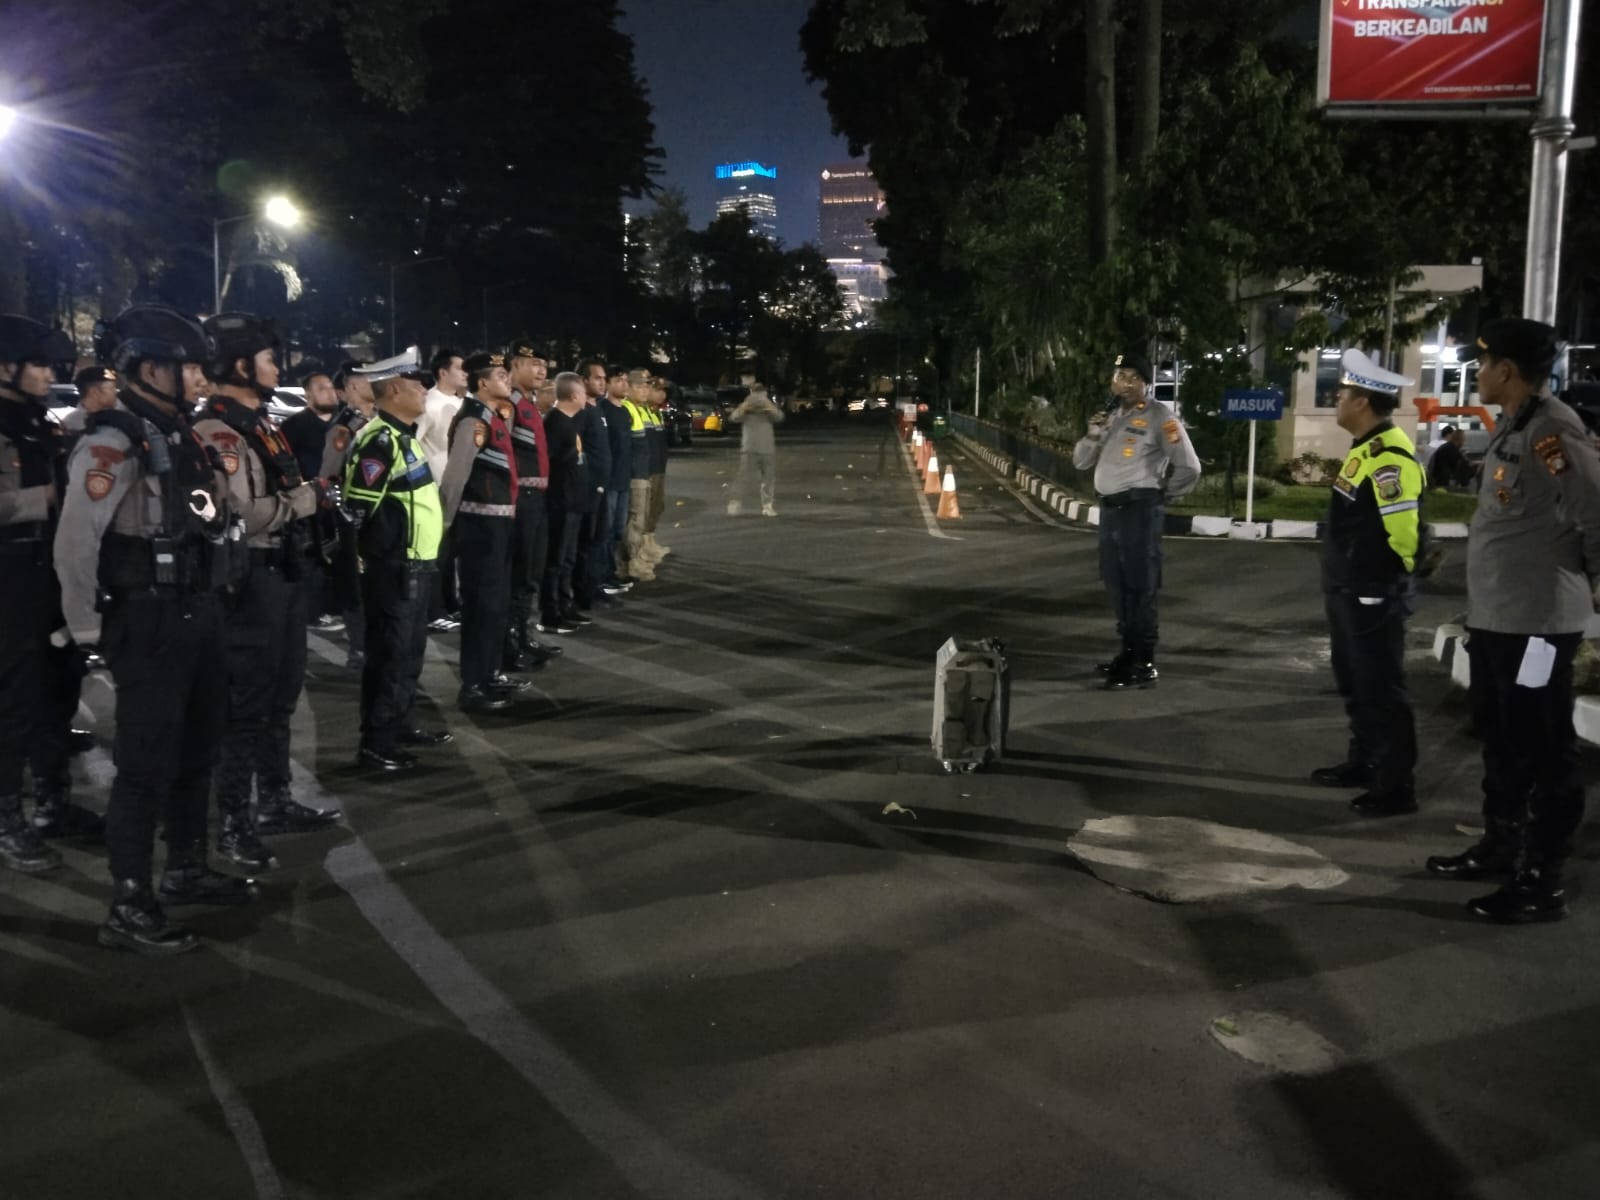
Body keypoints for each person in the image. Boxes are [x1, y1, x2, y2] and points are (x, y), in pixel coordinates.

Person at [54, 306, 253, 953]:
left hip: (197, 609)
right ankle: (129, 900)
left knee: (199, 748)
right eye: (186, 367)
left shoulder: (182, 434)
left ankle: (186, 867)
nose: (199, 378)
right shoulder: (113, 441)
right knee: (144, 764)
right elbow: (76, 541)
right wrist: (87, 629)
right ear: (147, 370)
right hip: (147, 617)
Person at [1425, 318, 1600, 922]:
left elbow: (1595, 508)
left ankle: (1541, 879)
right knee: (1503, 739)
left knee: (1543, 746)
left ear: (1506, 370)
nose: (1478, 373)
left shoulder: (1552, 430)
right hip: (1501, 619)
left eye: (1484, 363)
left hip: (1538, 627)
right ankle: (1502, 846)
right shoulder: (1515, 425)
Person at [194, 313, 341, 876]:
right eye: (270, 361)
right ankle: (234, 821)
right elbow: (239, 513)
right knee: (245, 708)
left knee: (281, 697)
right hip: (250, 578)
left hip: (283, 574)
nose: (278, 370)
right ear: (240, 365)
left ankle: (275, 801)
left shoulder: (260, 424)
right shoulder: (219, 431)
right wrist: (305, 500)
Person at [1311, 348, 1423, 817]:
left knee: (1381, 688)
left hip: (1371, 593)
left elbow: (1405, 537)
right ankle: (1366, 761)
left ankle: (1395, 786)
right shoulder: (1366, 450)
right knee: (1356, 682)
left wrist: (1381, 583)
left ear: (1362, 402)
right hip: (1349, 589)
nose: (1336, 400)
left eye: (1342, 394)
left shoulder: (1389, 457)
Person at [343, 359, 450, 770]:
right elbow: (357, 511)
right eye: (416, 385)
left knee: (409, 653)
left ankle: (400, 724)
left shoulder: (402, 437)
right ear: (393, 391)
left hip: (415, 564)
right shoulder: (379, 441)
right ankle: (376, 743)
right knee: (389, 655)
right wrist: (377, 558)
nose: (423, 391)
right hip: (395, 566)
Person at [1071, 351, 1201, 688]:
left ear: (1146, 384)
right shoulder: (1110, 418)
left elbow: (1190, 467)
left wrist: (1162, 495)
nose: (1126, 383)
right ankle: (1127, 652)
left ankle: (1143, 661)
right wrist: (1093, 434)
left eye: (1134, 377)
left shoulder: (1161, 418)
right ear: (1112, 381)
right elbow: (1080, 462)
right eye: (1120, 376)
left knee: (1140, 586)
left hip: (1139, 511)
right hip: (1111, 512)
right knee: (1116, 584)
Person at [0, 315, 77, 873]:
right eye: (39, 365)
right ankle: (8, 818)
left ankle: (54, 802)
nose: (49, 375)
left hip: (50, 573)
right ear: (6, 367)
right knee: (12, 702)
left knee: (57, 689)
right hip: (10, 579)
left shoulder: (39, 423)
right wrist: (44, 498)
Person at [440, 351, 529, 712]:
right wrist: (445, 528)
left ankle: (490, 674)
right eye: (501, 376)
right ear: (482, 383)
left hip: (498, 525)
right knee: (480, 607)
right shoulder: (473, 422)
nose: (508, 381)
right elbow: (454, 479)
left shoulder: (492, 417)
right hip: (480, 528)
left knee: (495, 605)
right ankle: (473, 686)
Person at [280, 368, 344, 634]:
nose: (329, 393)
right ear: (307, 395)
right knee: (314, 556)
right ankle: (315, 612)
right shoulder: (294, 427)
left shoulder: (345, 423)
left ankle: (338, 606)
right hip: (312, 501)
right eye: (321, 389)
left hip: (342, 499)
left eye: (330, 387)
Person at [503, 341, 555, 668]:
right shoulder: (509, 404)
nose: (541, 370)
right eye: (534, 363)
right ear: (515, 366)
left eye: (544, 365)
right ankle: (510, 643)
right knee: (519, 573)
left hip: (536, 499)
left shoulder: (528, 403)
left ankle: (524, 635)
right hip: (520, 499)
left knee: (531, 573)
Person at [538, 373, 593, 635]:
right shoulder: (554, 422)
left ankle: (565, 605)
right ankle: (550, 614)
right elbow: (549, 462)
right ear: (573, 395)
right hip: (560, 501)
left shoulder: (570, 421)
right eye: (582, 392)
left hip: (574, 501)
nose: (586, 397)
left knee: (568, 559)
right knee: (555, 560)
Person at [420, 347, 468, 632]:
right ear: (442, 372)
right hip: (438, 489)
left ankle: (451, 603)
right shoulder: (429, 404)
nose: (465, 373)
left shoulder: (463, 403)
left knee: (452, 554)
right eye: (459, 368)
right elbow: (414, 444)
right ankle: (434, 610)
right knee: (439, 553)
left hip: (461, 489)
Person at [572, 359, 613, 614]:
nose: (602, 382)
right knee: (585, 543)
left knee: (599, 538)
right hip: (588, 489)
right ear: (583, 381)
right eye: (597, 378)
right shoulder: (581, 412)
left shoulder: (597, 409)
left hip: (602, 486)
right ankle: (582, 592)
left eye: (604, 378)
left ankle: (594, 584)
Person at [595, 363, 634, 596]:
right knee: (606, 531)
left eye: (626, 380)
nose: (624, 384)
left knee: (618, 530)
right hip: (608, 482)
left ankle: (612, 572)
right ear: (607, 384)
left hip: (623, 480)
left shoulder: (625, 411)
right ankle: (603, 576)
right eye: (618, 380)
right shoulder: (602, 410)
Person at [618, 369, 656, 584]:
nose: (645, 390)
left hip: (642, 473)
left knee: (638, 521)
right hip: (634, 475)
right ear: (629, 388)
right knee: (634, 521)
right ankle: (630, 565)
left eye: (647, 386)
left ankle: (633, 560)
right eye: (640, 386)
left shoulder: (636, 409)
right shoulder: (627, 409)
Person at [727, 383, 784, 516]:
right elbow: (734, 418)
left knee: (767, 478)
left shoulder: (768, 406)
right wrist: (744, 408)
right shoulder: (746, 405)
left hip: (764, 447)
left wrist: (769, 407)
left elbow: (779, 417)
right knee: (745, 477)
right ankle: (736, 501)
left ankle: (767, 505)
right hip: (751, 447)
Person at [1427, 425, 1476, 491]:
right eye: (1463, 440)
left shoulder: (1448, 447)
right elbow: (1462, 467)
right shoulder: (1451, 449)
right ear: (1460, 439)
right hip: (1443, 483)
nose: (1464, 443)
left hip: (1437, 480)